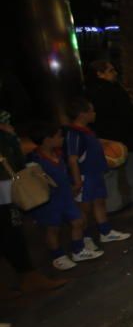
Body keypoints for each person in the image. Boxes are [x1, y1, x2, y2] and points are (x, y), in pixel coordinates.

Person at [1, 112, 68, 297]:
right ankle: (27, 277)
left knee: (11, 229)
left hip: (7, 182)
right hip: (4, 183)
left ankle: (28, 276)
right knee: (9, 228)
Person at [26, 123, 105, 270]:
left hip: (66, 197)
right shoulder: (34, 160)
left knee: (78, 221)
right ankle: (58, 256)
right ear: (47, 139)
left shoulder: (58, 154)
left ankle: (78, 250)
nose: (62, 138)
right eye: (58, 136)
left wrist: (72, 185)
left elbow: (63, 173)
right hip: (49, 201)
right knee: (53, 228)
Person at [64, 97, 131, 251]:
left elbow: (94, 144)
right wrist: (77, 181)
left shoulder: (86, 131)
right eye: (91, 110)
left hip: (95, 174)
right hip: (84, 176)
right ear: (82, 114)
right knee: (84, 209)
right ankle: (85, 238)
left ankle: (105, 231)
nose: (94, 113)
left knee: (99, 202)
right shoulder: (73, 134)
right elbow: (73, 159)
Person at [86, 60, 133, 210]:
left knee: (110, 173)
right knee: (132, 168)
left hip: (106, 138)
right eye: (110, 70)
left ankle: (113, 204)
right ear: (99, 73)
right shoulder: (114, 90)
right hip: (125, 136)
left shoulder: (89, 92)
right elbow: (128, 114)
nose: (115, 73)